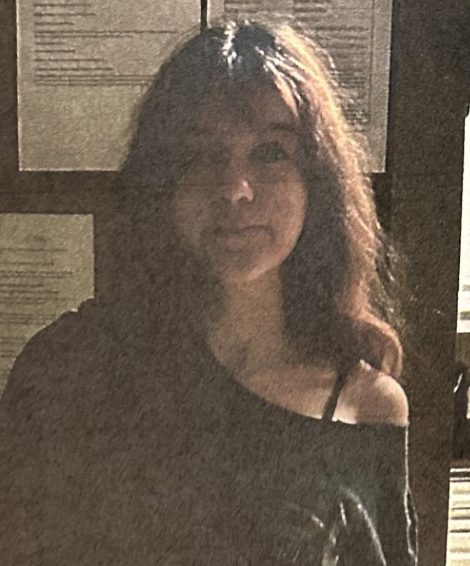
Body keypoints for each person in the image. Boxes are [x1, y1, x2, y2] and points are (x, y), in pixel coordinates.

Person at [0, 20, 418, 565]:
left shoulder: (366, 407)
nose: (235, 188)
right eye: (202, 155)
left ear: (318, 179)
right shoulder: (70, 366)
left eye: (270, 152)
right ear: (162, 182)